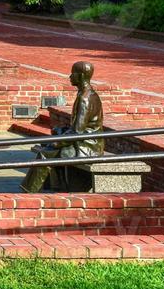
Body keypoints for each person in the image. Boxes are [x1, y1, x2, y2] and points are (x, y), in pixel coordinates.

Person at [21, 60, 104, 192]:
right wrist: (61, 131)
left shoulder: (85, 99)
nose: (70, 77)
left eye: (73, 74)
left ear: (81, 76)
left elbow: (77, 132)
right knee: (48, 144)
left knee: (45, 153)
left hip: (88, 145)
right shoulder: (85, 94)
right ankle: (56, 187)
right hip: (84, 140)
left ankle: (28, 192)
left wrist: (57, 143)